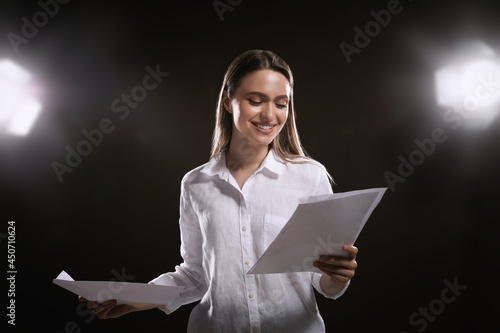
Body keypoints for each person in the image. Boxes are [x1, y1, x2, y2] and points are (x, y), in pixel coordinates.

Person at [79, 49, 358, 332]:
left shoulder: (310, 176)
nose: (269, 115)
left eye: (281, 103)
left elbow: (319, 275)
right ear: (228, 101)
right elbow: (195, 275)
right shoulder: (195, 184)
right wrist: (130, 300)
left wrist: (339, 277)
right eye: (255, 101)